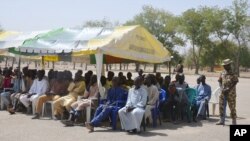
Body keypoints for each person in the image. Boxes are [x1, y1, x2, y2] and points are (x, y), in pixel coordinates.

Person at [216, 59, 238, 125]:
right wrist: (222, 88)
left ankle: (234, 121)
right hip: (223, 92)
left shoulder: (233, 72)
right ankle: (221, 120)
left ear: (229, 65)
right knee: (221, 105)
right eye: (224, 65)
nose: (224, 67)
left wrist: (228, 89)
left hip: (231, 93)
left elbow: (235, 81)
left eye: (225, 65)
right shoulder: (222, 72)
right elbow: (219, 80)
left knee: (232, 107)